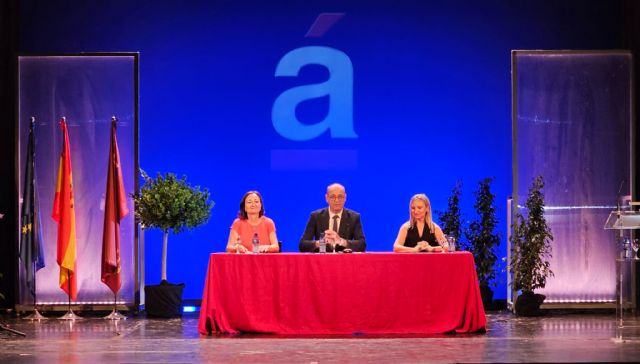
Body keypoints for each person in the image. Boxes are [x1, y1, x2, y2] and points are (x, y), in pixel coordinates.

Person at [299, 183, 366, 252]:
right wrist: (320, 243)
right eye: (332, 197)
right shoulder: (316, 216)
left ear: (345, 198)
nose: (337, 200)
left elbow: (362, 245)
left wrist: (341, 241)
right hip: (321, 261)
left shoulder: (353, 217)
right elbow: (302, 245)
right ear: (326, 198)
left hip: (344, 261)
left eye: (340, 196)